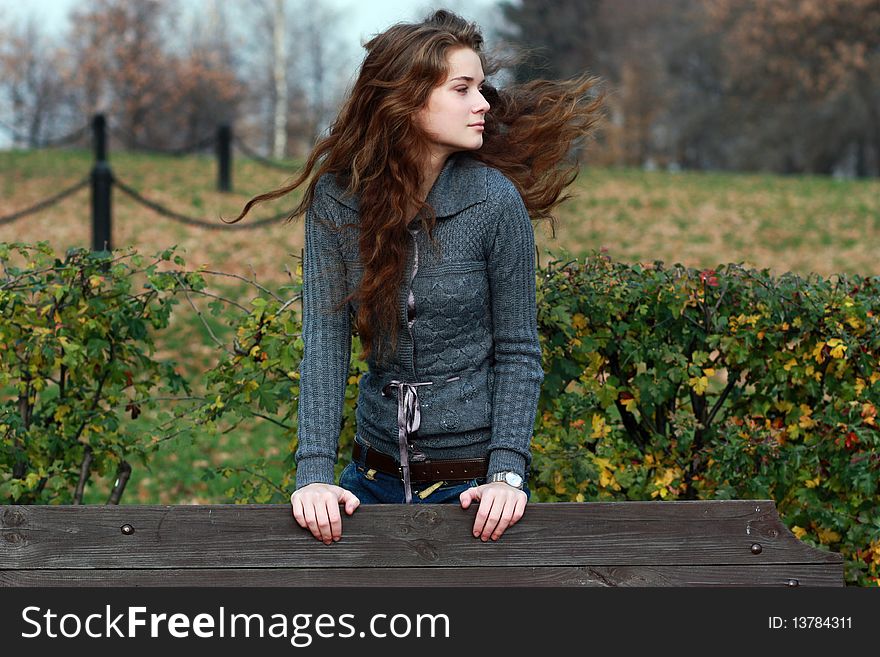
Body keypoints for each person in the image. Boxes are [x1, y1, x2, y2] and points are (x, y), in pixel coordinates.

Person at [231, 9, 601, 545]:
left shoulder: (495, 203)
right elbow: (324, 345)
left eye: (483, 87)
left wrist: (506, 474)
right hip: (369, 484)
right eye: (463, 88)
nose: (483, 104)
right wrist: (313, 475)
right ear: (408, 98)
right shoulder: (338, 202)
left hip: (473, 497)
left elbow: (519, 352)